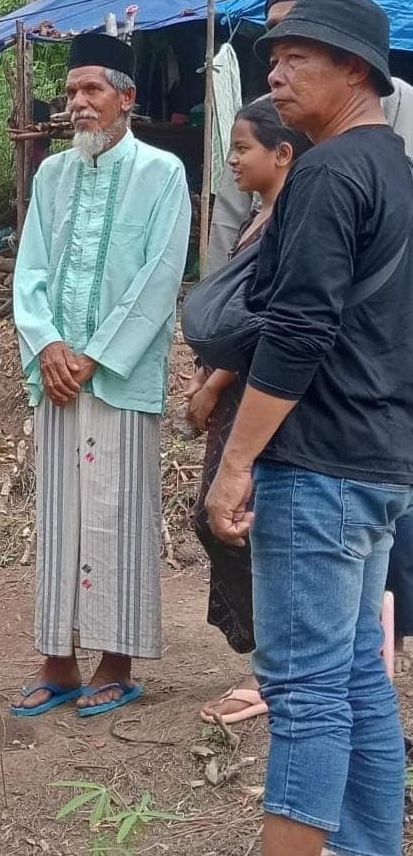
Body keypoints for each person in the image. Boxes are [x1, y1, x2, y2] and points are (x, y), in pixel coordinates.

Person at [206, 0, 413, 856]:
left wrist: (234, 461)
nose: (277, 74)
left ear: (356, 70)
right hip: (377, 460)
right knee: (360, 674)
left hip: (319, 461)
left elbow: (297, 331)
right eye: (272, 61)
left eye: (299, 59)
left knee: (305, 686)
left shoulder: (327, 171)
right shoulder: (396, 168)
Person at [10, 33, 191, 716]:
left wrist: (95, 354)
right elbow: (30, 270)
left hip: (118, 375)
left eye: (92, 89)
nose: (78, 103)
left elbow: (158, 277)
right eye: (72, 91)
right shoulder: (51, 176)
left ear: (126, 97)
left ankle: (116, 659)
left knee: (117, 511)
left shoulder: (162, 172)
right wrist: (49, 343)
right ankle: (57, 660)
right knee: (58, 512)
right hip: (56, 375)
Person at [184, 100, 311, 725]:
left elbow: (272, 324)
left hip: (261, 395)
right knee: (229, 520)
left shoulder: (290, 218)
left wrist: (213, 383)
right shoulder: (259, 218)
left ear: (282, 153)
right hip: (238, 393)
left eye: (243, 148)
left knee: (232, 520)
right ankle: (272, 660)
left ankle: (277, 667)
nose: (232, 160)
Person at [204, 0, 413, 276]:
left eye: (303, 32)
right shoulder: (259, 114)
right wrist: (213, 302)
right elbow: (229, 218)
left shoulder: (402, 106)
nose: (283, 40)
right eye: (274, 30)